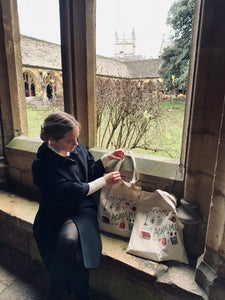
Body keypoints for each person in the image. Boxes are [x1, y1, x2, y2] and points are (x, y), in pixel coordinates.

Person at [32, 111, 123, 300]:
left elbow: (87, 172)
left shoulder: (76, 147)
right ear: (52, 139)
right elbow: (71, 189)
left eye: (77, 139)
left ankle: (57, 293)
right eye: (70, 141)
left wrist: (106, 159)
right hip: (54, 211)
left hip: (80, 209)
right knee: (72, 252)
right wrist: (105, 181)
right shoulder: (41, 165)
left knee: (69, 241)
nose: (76, 145)